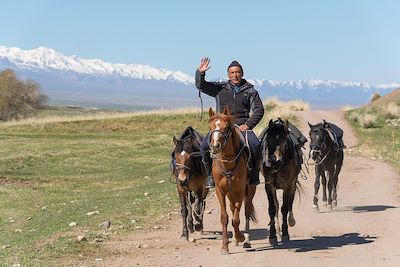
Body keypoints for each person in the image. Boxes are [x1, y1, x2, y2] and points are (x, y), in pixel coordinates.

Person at [195, 57, 264, 188]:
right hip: (221, 126)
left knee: (255, 145)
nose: (235, 75)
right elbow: (201, 85)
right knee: (204, 146)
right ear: (228, 75)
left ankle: (254, 174)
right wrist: (200, 73)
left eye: (237, 72)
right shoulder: (219, 89)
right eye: (232, 73)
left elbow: (259, 110)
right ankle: (210, 175)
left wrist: (248, 125)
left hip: (242, 126)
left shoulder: (250, 91)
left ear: (242, 74)